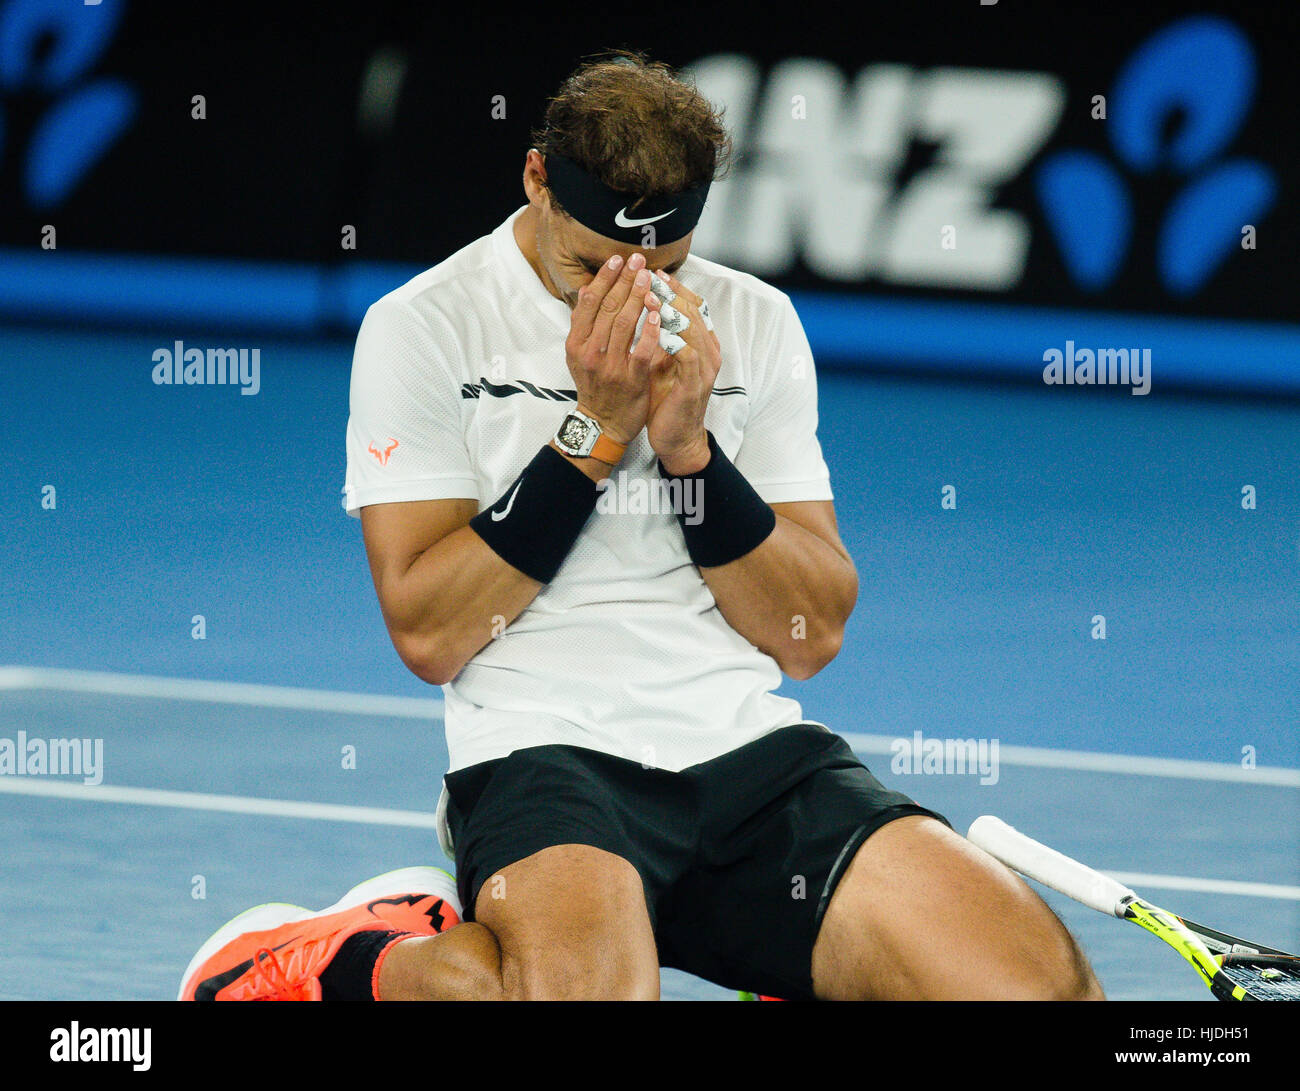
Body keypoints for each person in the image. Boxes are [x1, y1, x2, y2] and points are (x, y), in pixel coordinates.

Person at [181, 50, 1103, 1002]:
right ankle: (334, 955)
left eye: (661, 267)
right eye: (590, 265)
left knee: (1038, 991)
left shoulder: (757, 324)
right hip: (543, 757)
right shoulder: (421, 326)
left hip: (750, 755)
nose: (624, 298)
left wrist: (690, 449)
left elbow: (809, 633)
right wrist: (597, 430)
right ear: (536, 179)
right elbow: (430, 630)